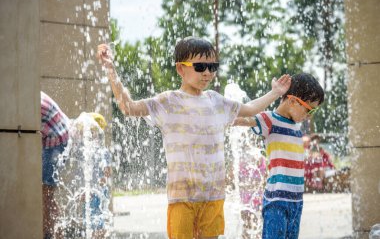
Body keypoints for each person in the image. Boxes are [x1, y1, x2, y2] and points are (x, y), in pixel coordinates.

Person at [97, 36, 291, 239]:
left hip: (213, 195)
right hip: (182, 196)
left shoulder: (216, 102)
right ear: (181, 69)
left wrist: (275, 92)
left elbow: (250, 109)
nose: (207, 72)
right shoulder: (168, 102)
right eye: (200, 66)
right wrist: (111, 71)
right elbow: (129, 107)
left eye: (212, 66)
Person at [234, 73, 325, 239]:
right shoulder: (270, 120)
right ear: (292, 101)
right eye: (309, 109)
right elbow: (239, 119)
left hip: (296, 201)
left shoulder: (296, 128)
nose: (310, 115)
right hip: (276, 200)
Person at [59, 112, 112, 238]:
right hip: (89, 192)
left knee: (98, 222)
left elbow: (106, 173)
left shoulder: (102, 151)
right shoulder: (85, 150)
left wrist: (95, 190)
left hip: (97, 193)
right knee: (90, 221)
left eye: (89, 131)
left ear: (95, 132)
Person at [40, 91, 69, 239]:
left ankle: (53, 234)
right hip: (56, 141)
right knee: (46, 194)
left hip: (55, 143)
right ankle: (51, 233)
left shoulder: (31, 100)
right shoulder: (33, 94)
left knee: (47, 194)